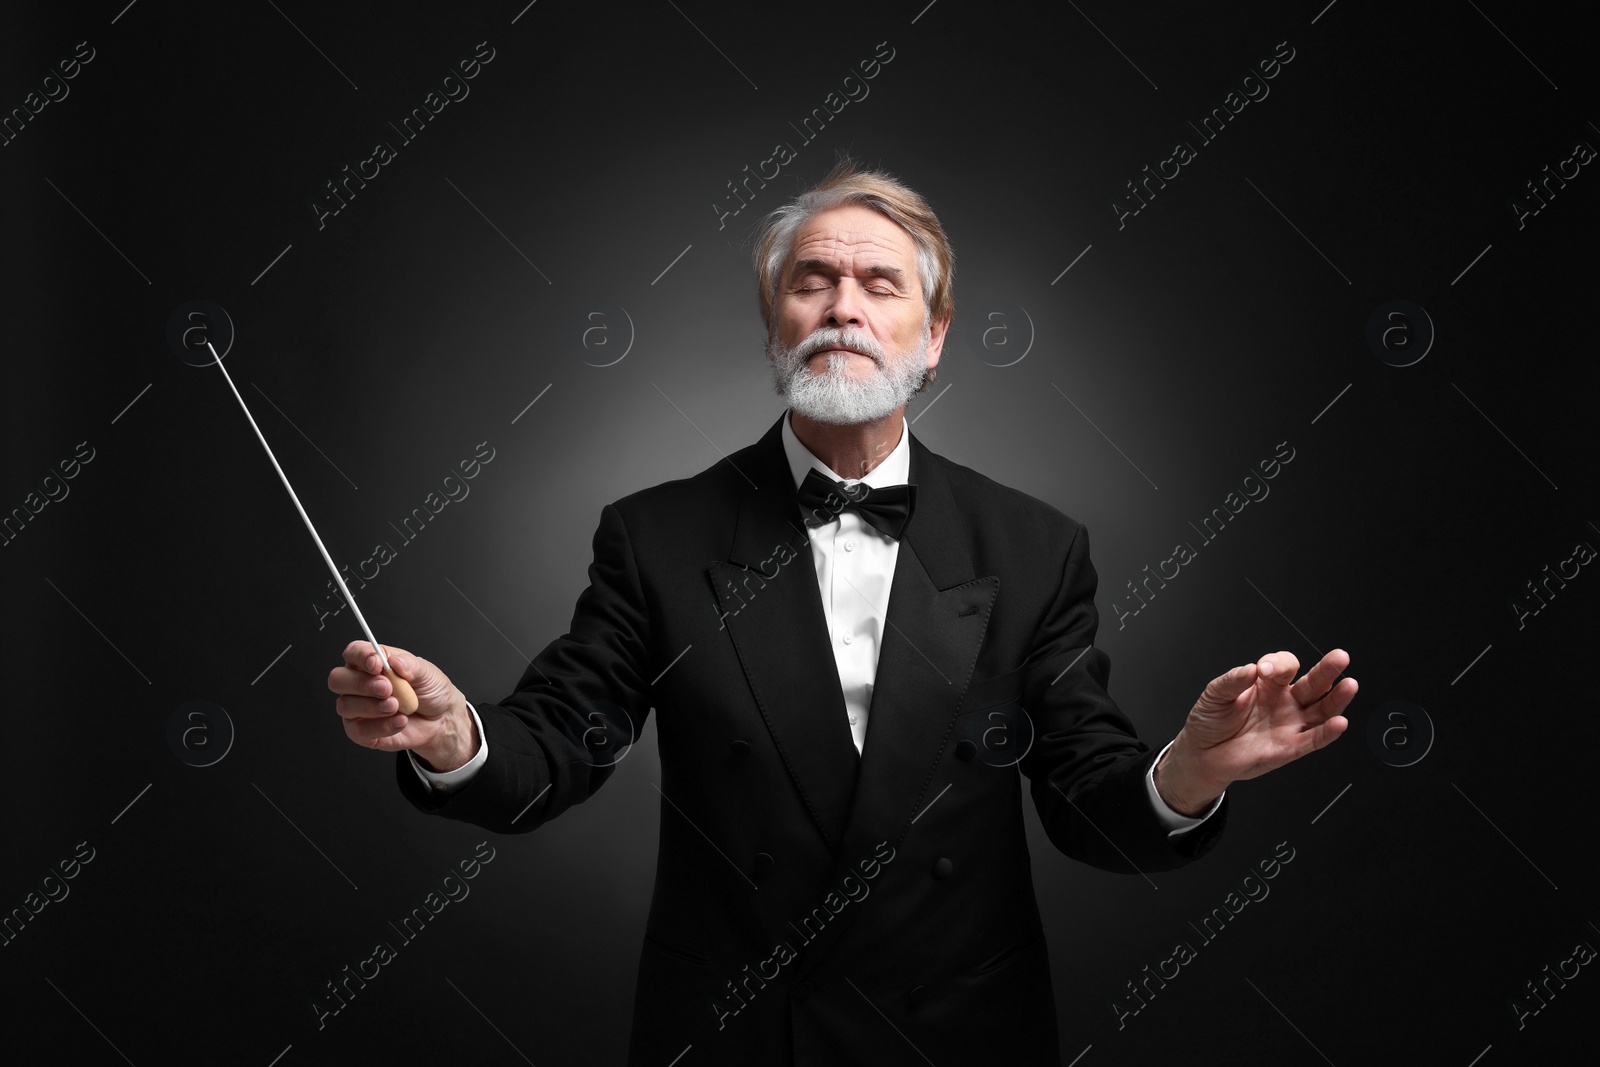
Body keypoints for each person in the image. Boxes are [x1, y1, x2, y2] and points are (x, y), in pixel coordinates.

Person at [327, 160, 1357, 1065]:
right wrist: (455, 732)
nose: (842, 306)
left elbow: (1087, 795)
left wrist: (1192, 769)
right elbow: (558, 743)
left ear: (934, 334)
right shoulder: (657, 536)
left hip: (959, 1034)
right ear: (774, 323)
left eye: (879, 281)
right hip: (735, 1031)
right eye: (810, 280)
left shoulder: (1035, 545)